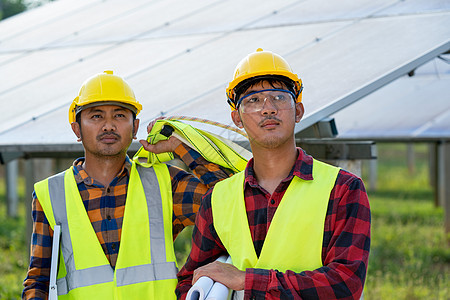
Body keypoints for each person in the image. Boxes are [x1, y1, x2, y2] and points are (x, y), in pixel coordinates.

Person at [176, 49, 371, 299]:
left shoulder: (343, 189)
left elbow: (346, 283)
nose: (268, 109)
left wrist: (246, 280)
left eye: (279, 97)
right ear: (237, 118)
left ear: (298, 111)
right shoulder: (217, 199)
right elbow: (189, 281)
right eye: (253, 100)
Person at [22, 70, 233, 299]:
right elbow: (39, 279)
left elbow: (231, 204)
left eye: (120, 115)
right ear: (77, 129)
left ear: (135, 128)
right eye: (96, 116)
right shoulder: (50, 194)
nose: (109, 126)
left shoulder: (166, 183)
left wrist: (181, 148)